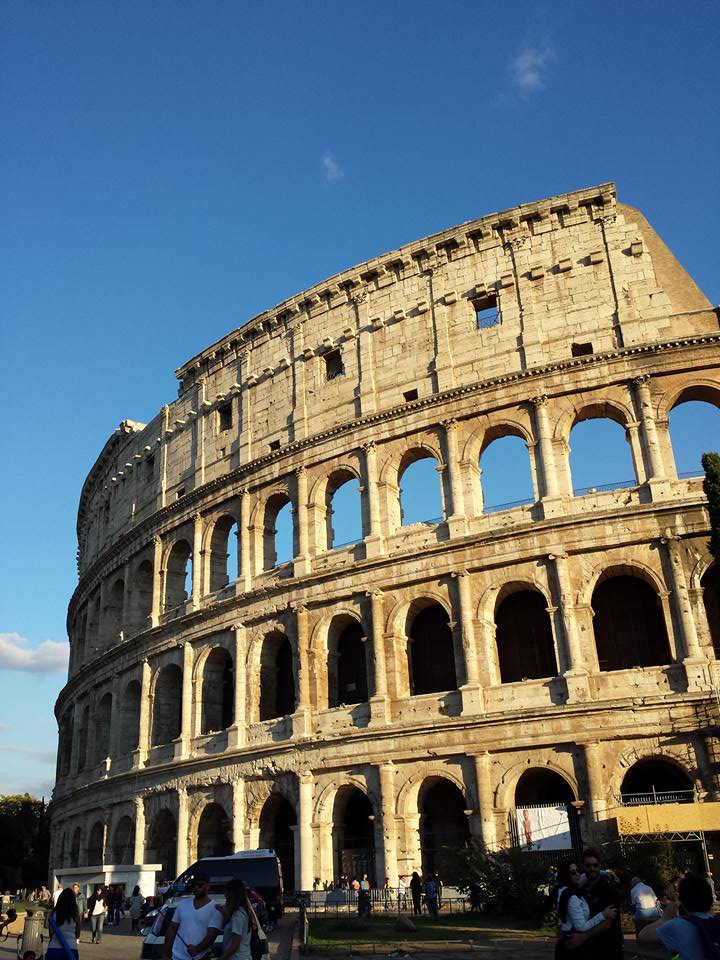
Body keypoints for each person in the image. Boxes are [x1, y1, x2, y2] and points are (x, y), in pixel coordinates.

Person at [639, 873, 717, 960]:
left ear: (682, 902)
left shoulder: (679, 925)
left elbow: (643, 935)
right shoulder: (716, 921)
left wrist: (665, 918)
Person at [554, 860, 615, 958]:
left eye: (578, 870)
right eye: (573, 872)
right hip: (572, 944)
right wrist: (603, 914)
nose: (577, 874)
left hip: (569, 942)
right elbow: (581, 927)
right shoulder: (571, 896)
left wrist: (608, 873)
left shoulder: (568, 889)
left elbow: (588, 875)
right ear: (566, 875)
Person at [163, 872, 223, 960]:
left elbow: (211, 936)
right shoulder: (182, 904)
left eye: (200, 885)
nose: (196, 888)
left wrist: (197, 949)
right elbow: (172, 929)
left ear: (208, 886)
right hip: (176, 957)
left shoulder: (215, 909)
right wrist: (165, 953)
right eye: (194, 885)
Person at [581, 848, 623, 959]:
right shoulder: (582, 891)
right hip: (590, 950)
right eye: (588, 866)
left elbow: (607, 923)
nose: (592, 869)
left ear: (599, 866)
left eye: (595, 865)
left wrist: (583, 937)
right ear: (583, 867)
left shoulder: (609, 890)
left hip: (610, 949)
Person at [205, 878, 253, 960]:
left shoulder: (237, 916)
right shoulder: (243, 911)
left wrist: (221, 958)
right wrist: (222, 911)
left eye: (226, 893)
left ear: (231, 894)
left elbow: (235, 945)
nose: (225, 895)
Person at [46, 887, 81, 960]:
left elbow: (51, 934)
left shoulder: (54, 912)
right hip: (71, 949)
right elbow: (77, 934)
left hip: (53, 948)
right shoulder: (75, 913)